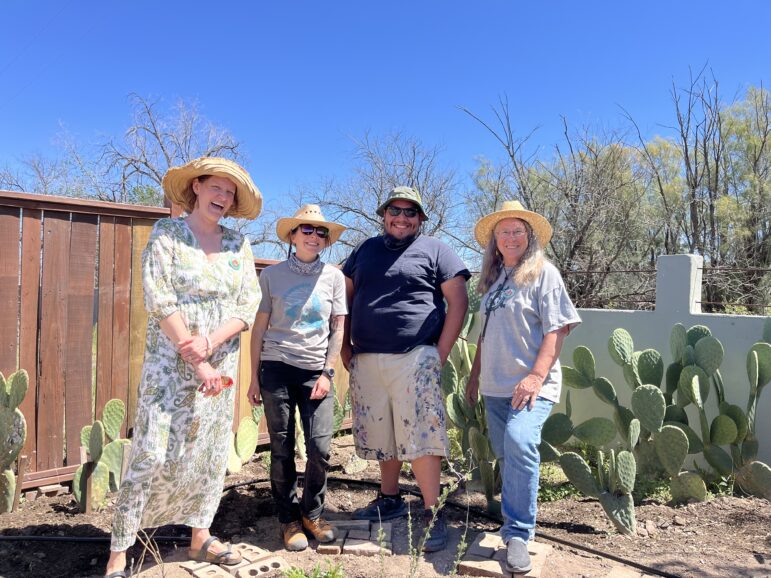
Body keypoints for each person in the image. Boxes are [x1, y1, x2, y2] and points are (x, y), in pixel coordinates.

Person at [105, 157, 262, 578]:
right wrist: (197, 360)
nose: (223, 197)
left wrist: (211, 345)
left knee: (208, 451)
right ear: (196, 187)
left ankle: (200, 536)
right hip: (170, 365)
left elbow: (247, 304)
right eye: (216, 188)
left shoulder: (238, 245)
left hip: (221, 360)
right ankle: (119, 553)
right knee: (151, 452)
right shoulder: (168, 234)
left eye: (230, 193)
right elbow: (160, 299)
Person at [341, 186, 470, 552]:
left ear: (420, 219)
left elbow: (457, 301)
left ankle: (432, 511)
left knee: (423, 436)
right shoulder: (365, 250)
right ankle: (390, 498)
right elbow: (345, 297)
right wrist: (345, 346)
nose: (401, 217)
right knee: (383, 433)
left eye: (410, 212)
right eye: (394, 210)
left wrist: (439, 353)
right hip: (367, 359)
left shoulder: (437, 250)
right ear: (383, 215)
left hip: (416, 356)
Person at [465, 200, 581, 574]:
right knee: (505, 451)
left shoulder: (544, 274)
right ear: (494, 241)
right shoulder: (493, 280)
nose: (511, 237)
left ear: (529, 237)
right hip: (495, 387)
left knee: (519, 443)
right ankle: (514, 523)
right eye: (504, 232)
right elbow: (485, 335)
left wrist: (535, 377)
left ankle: (518, 533)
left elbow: (556, 329)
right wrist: (474, 375)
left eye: (517, 231)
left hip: (533, 385)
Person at [247, 205, 347, 551]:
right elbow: (259, 328)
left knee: (319, 448)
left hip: (314, 372)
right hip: (276, 367)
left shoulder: (333, 277)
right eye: (307, 229)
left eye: (321, 232)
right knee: (281, 447)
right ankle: (288, 519)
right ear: (292, 235)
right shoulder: (272, 276)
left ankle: (312, 513)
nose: (315, 236)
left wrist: (328, 372)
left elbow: (338, 328)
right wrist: (253, 377)